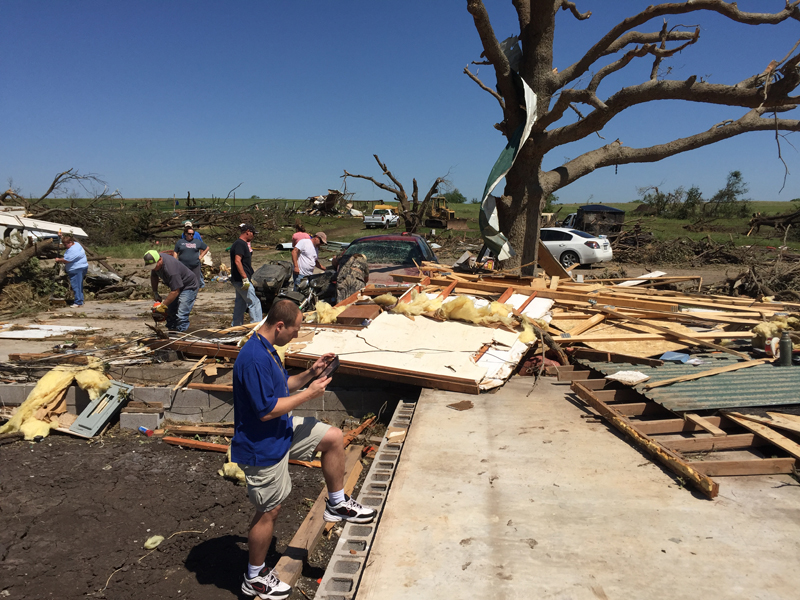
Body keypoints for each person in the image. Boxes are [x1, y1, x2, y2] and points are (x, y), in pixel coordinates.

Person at [232, 300, 375, 599]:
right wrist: (310, 394)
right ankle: (254, 576)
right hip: (262, 444)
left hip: (280, 430)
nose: (296, 336)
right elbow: (266, 410)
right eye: (295, 330)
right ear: (280, 325)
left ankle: (336, 503)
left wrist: (311, 373)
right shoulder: (254, 357)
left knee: (333, 437)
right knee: (269, 510)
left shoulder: (268, 348)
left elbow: (282, 386)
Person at [144, 249, 199, 332]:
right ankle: (172, 331)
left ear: (160, 259)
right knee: (170, 311)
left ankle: (182, 336)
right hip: (177, 285)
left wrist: (163, 305)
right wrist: (155, 292)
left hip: (188, 286)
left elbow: (175, 291)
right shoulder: (156, 264)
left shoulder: (171, 270)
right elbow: (154, 276)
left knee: (181, 314)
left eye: (155, 265)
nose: (154, 268)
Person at [231, 224, 263, 327]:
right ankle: (256, 326)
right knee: (254, 302)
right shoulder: (240, 244)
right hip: (241, 279)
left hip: (237, 279)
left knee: (240, 303)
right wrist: (244, 278)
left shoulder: (241, 244)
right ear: (248, 232)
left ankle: (236, 327)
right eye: (253, 233)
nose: (253, 236)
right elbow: (237, 261)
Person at [54, 234, 89, 307]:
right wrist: (61, 236)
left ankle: (78, 302)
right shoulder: (76, 244)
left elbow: (67, 260)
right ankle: (80, 299)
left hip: (76, 269)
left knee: (76, 285)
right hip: (83, 267)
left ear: (70, 242)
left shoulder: (73, 250)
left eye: (65, 244)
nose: (65, 246)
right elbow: (66, 240)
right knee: (79, 285)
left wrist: (58, 260)